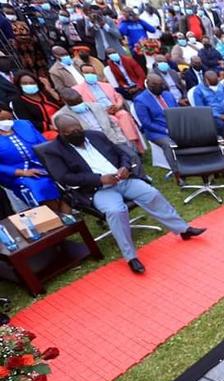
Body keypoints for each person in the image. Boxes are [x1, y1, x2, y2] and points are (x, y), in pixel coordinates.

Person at [43, 115, 206, 274]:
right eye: (70, 132)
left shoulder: (96, 136)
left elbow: (122, 154)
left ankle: (183, 230)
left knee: (152, 193)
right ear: (60, 132)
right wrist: (99, 180)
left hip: (123, 180)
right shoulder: (54, 150)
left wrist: (125, 168)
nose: (76, 133)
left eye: (78, 129)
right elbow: (64, 177)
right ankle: (131, 257)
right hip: (98, 189)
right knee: (116, 211)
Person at [0, 104, 61, 209]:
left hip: (42, 164)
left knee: (62, 177)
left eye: (9, 118)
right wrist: (23, 172)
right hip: (17, 174)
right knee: (38, 184)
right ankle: (54, 214)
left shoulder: (24, 124)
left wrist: (52, 164)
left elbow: (43, 144)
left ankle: (66, 212)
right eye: (2, 120)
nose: (7, 122)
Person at [73, 64, 144, 153]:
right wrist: (103, 111)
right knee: (114, 120)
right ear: (82, 74)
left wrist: (118, 105)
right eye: (87, 73)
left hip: (115, 109)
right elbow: (86, 105)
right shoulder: (78, 90)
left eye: (92, 72)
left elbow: (118, 96)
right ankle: (124, 148)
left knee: (124, 115)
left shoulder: (106, 85)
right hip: (101, 114)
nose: (90, 75)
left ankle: (133, 145)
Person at [133, 74, 180, 179]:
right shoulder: (140, 100)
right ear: (148, 83)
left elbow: (178, 111)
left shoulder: (168, 94)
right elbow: (146, 123)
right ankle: (178, 174)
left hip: (176, 126)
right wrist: (166, 130)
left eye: (161, 84)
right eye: (155, 85)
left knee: (196, 134)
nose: (159, 87)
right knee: (169, 145)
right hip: (156, 131)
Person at [54, 88, 127, 146]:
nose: (78, 105)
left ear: (81, 97)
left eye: (79, 101)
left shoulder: (97, 106)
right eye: (74, 104)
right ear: (65, 102)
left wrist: (120, 139)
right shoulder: (61, 117)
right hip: (94, 149)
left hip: (115, 142)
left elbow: (113, 124)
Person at [10, 71, 63, 140]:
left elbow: (62, 104)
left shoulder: (45, 93)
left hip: (62, 122)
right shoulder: (18, 101)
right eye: (24, 83)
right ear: (19, 85)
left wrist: (50, 90)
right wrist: (49, 126)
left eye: (32, 83)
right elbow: (28, 122)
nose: (29, 85)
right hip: (45, 131)